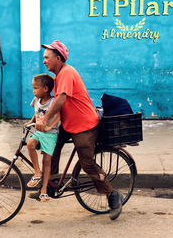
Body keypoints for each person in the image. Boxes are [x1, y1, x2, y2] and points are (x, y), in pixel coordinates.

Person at [35, 40, 123, 220]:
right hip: (69, 124)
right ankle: (50, 183)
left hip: (84, 126)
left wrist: (45, 119)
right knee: (51, 145)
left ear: (58, 58)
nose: (44, 61)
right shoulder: (58, 76)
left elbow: (60, 100)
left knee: (87, 163)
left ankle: (113, 195)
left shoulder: (67, 73)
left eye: (47, 57)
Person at [24, 74, 61, 202]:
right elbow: (36, 112)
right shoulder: (36, 100)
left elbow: (58, 116)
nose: (33, 91)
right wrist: (30, 121)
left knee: (47, 160)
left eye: (35, 88)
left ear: (45, 89)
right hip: (39, 132)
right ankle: (37, 172)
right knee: (30, 144)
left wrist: (49, 127)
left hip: (50, 134)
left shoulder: (53, 102)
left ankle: (44, 190)